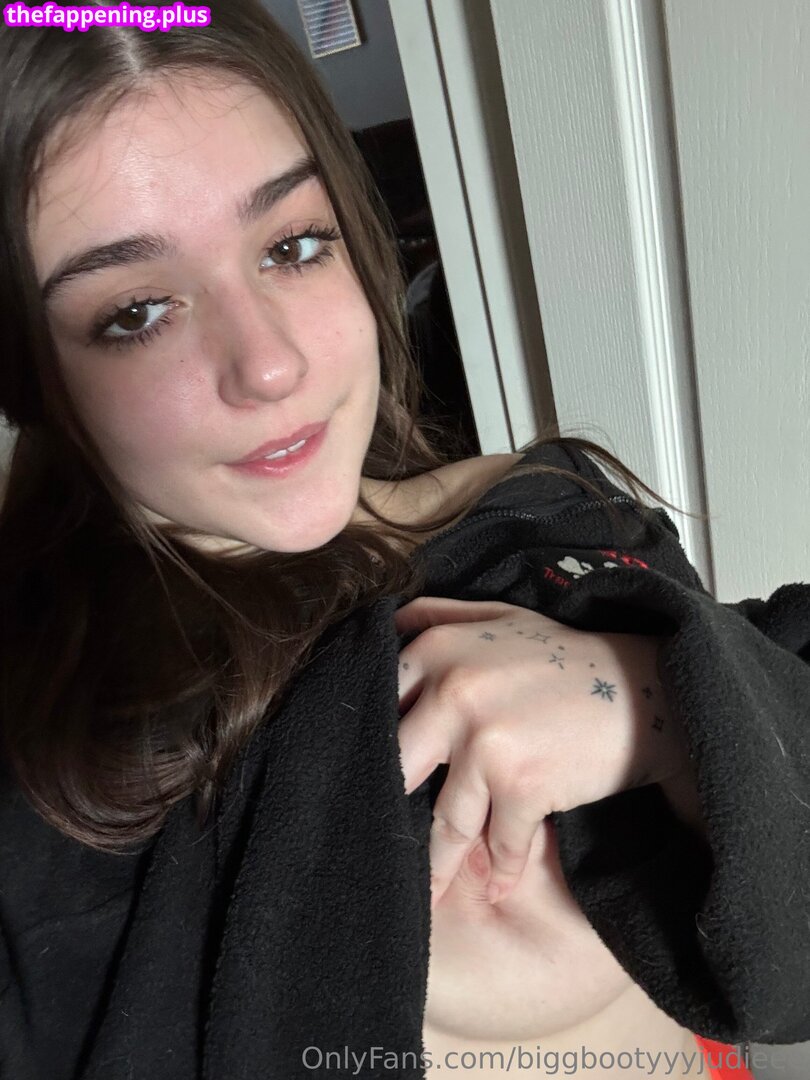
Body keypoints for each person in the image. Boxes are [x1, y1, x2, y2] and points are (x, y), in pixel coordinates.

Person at [0, 3, 806, 1078]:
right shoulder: (56, 767)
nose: (271, 364)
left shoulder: (545, 516)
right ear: (30, 376)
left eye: (292, 246)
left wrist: (653, 702)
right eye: (138, 311)